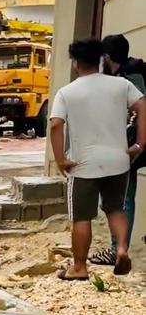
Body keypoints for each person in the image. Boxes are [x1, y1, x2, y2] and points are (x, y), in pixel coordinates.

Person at [49, 38, 146, 280]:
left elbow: (55, 125)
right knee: (116, 208)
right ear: (101, 59)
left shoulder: (67, 92)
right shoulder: (121, 85)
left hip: (83, 164)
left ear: (75, 63)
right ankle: (121, 250)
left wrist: (60, 159)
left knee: (82, 217)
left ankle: (79, 267)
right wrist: (140, 144)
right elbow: (143, 106)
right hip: (119, 160)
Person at [88, 33, 146, 265]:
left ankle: (116, 250)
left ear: (107, 57)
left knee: (122, 197)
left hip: (135, 146)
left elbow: (140, 112)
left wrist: (136, 145)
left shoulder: (130, 77)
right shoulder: (132, 72)